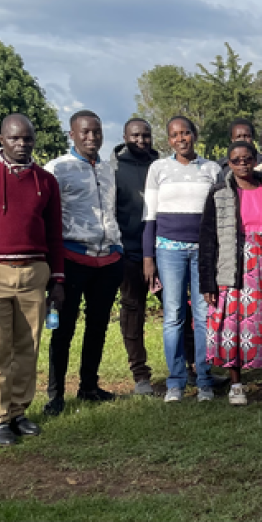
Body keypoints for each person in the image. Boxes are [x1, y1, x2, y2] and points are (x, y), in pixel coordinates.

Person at [0, 114, 64, 445]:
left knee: (27, 346)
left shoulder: (45, 181)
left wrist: (58, 278)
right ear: (1, 138)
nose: (22, 145)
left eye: (28, 139)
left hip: (34, 271)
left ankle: (18, 411)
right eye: (15, 139)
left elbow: (54, 234)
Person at [43, 110, 124, 416]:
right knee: (63, 329)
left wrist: (118, 246)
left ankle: (89, 386)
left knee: (98, 326)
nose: (92, 138)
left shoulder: (107, 169)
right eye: (85, 132)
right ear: (72, 135)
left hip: (108, 258)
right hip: (71, 257)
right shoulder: (57, 169)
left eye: (97, 132)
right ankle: (55, 395)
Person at [199, 141, 262, 406]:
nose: (242, 164)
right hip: (232, 266)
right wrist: (207, 282)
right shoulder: (219, 193)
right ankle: (236, 384)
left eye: (247, 159)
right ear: (228, 162)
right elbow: (207, 239)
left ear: (255, 160)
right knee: (232, 325)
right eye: (236, 160)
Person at [143, 116, 222, 403]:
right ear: (169, 139)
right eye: (175, 135)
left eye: (186, 133)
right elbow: (149, 215)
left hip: (203, 251)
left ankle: (204, 379)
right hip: (168, 249)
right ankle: (175, 381)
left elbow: (219, 216)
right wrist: (148, 257)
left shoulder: (212, 169)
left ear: (194, 135)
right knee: (173, 316)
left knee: (203, 315)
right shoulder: (158, 168)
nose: (181, 139)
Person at [110, 118, 159, 396]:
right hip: (129, 252)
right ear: (125, 136)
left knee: (179, 311)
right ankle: (140, 374)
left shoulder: (161, 165)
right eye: (136, 136)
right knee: (132, 312)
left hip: (162, 251)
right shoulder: (114, 169)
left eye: (146, 136)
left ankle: (190, 367)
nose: (141, 141)